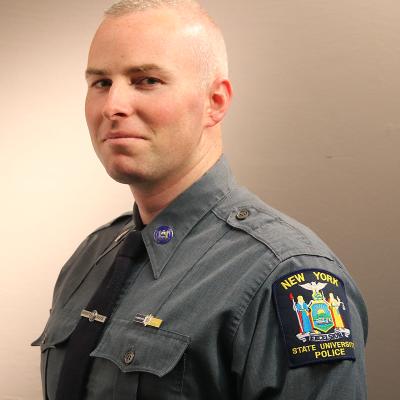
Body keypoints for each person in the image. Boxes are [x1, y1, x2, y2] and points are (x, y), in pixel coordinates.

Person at [32, 0, 368, 399]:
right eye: (101, 83)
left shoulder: (284, 276)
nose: (113, 106)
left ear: (215, 102)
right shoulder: (91, 257)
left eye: (146, 80)